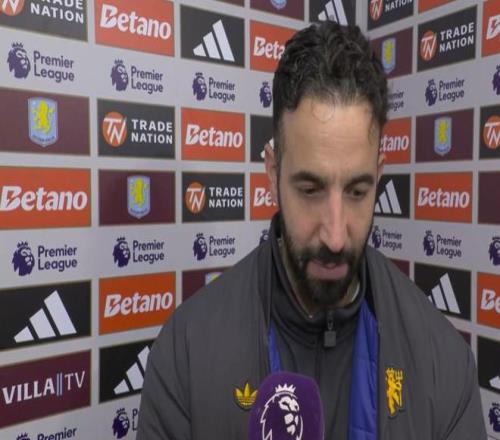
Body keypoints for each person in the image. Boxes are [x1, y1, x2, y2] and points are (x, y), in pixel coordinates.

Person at [137, 22, 486, 439]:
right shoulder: (187, 352)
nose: (335, 236)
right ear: (273, 173)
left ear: (379, 176)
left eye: (357, 192)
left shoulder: (442, 362)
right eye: (310, 190)